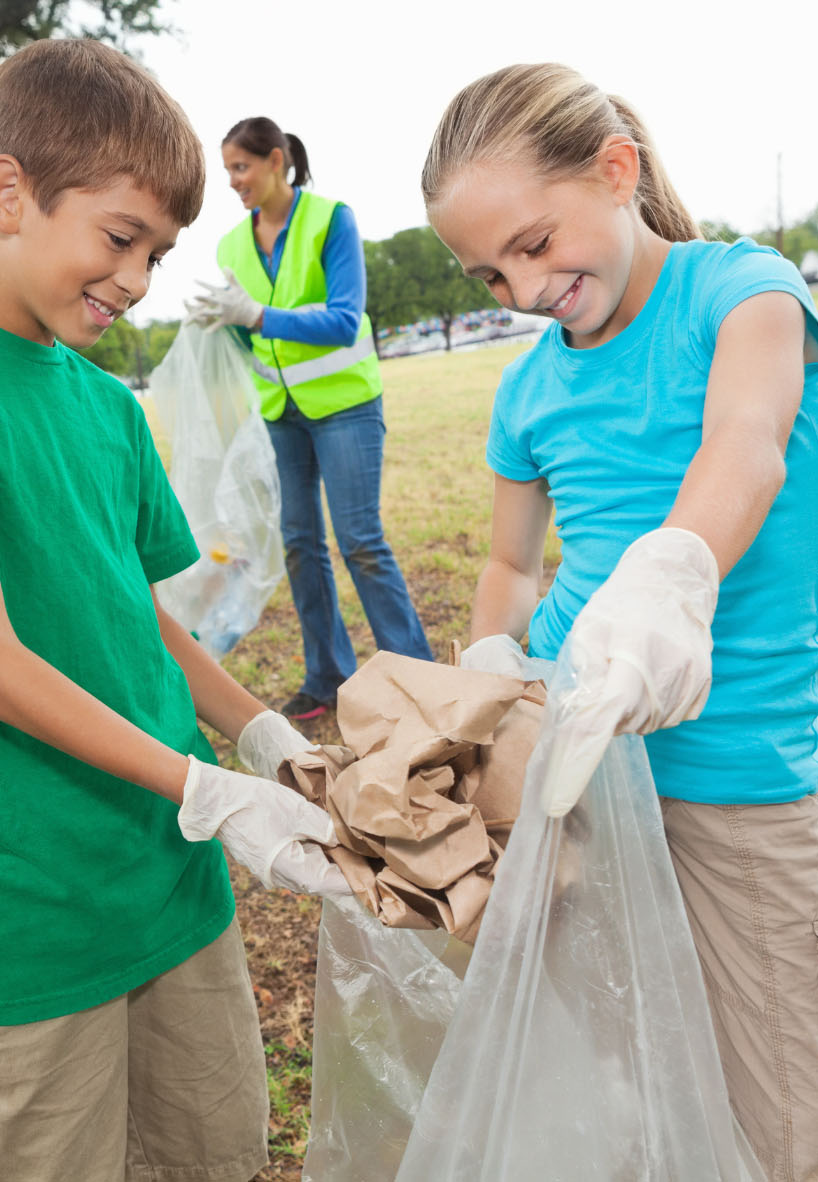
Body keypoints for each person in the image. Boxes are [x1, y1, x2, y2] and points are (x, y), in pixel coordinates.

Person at [0, 39, 353, 1181]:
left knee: (210, 1149)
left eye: (157, 255)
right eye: (119, 239)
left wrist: (260, 739)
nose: (135, 281)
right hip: (30, 908)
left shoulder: (110, 408)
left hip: (171, 882)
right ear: (8, 193)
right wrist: (205, 788)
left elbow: (147, 624)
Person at [425, 63, 818, 1182]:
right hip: (577, 778)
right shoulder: (527, 392)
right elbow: (508, 564)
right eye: (490, 272)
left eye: (537, 243)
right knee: (627, 1068)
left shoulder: (741, 290)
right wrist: (490, 676)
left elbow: (746, 439)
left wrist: (671, 581)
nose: (523, 285)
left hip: (738, 771)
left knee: (785, 1101)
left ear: (615, 171)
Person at [187, 117, 432, 722]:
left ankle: (418, 679)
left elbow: (345, 319)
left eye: (241, 168)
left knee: (361, 542)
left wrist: (259, 315)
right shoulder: (230, 246)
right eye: (228, 172)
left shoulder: (330, 220)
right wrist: (224, 325)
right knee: (300, 546)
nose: (234, 182)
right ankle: (327, 678)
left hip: (345, 405)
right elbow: (251, 337)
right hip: (281, 415)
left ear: (276, 162)